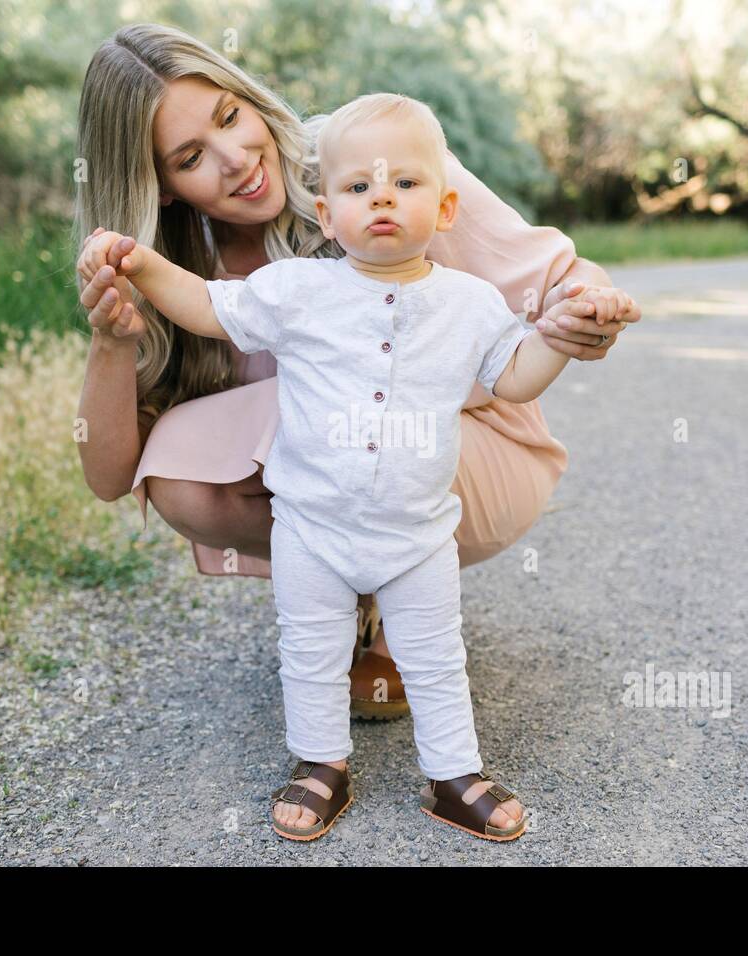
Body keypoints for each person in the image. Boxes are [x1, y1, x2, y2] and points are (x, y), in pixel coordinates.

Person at [78, 92, 636, 841]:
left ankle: (453, 775)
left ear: (444, 211)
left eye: (404, 185)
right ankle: (320, 766)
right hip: (311, 526)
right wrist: (141, 265)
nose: (380, 197)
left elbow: (516, 377)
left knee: (437, 655)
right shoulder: (296, 291)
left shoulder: (469, 303)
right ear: (326, 211)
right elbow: (209, 306)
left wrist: (565, 335)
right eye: (358, 189)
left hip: (419, 528)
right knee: (309, 652)